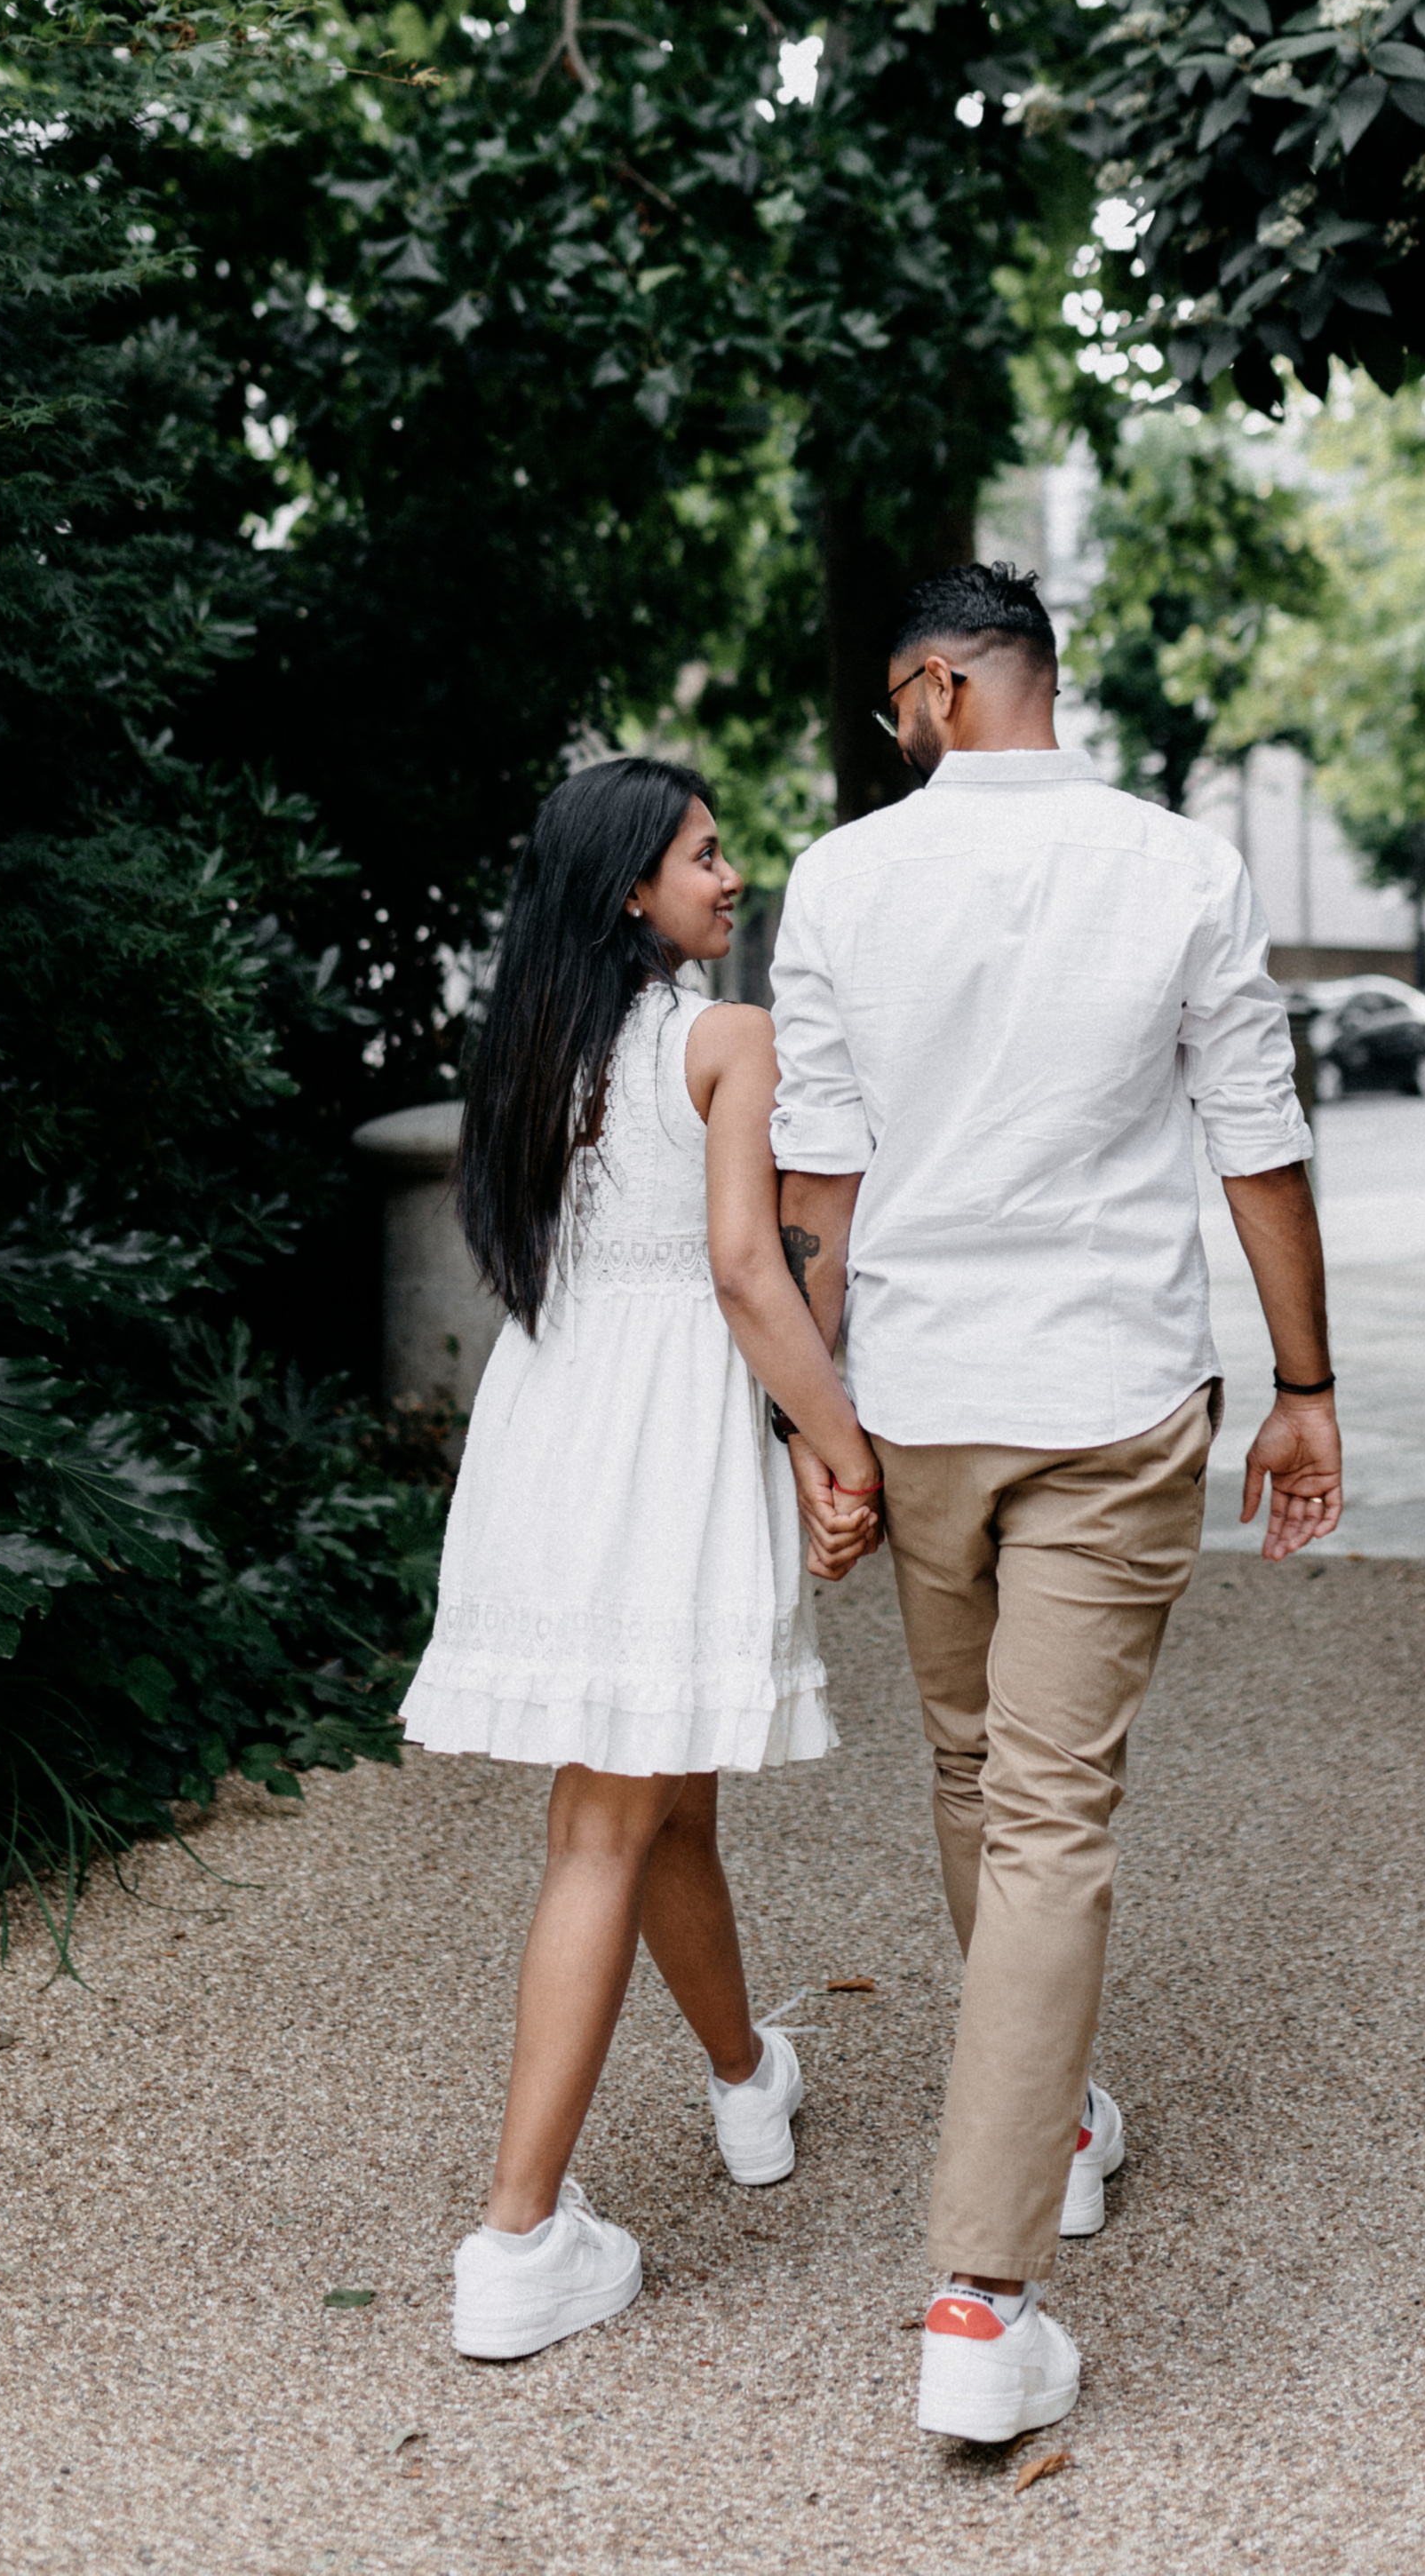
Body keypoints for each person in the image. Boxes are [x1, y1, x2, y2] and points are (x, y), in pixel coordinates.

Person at [767, 563, 1341, 2447]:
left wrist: (814, 1425)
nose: (892, 732)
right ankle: (982, 2291)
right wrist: (1306, 1388)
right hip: (1106, 1389)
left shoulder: (843, 879)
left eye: (893, 704)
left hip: (921, 1395)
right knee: (1045, 1808)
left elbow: (819, 1185)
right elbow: (1254, 1140)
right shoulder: (1177, 867)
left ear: (939, 686)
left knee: (978, 1777)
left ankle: (1055, 2134)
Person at [402, 757, 881, 2362]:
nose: (731, 875)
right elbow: (749, 1272)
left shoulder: (534, 1051)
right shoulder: (726, 1039)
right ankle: (518, 2239)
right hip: (662, 1442)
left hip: (556, 1429)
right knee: (605, 1820)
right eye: (703, 854)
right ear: (629, 888)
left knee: (668, 1794)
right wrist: (842, 1446)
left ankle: (747, 2081)